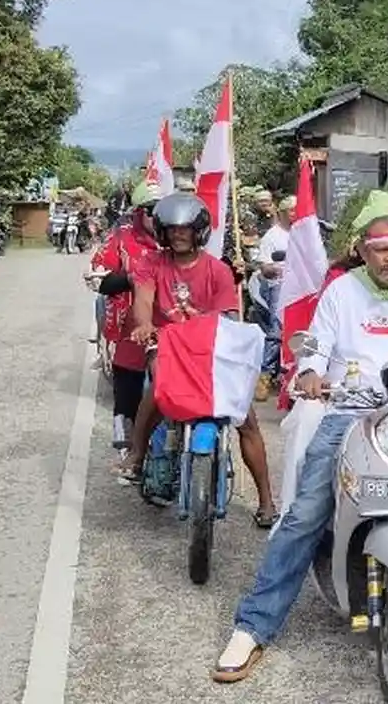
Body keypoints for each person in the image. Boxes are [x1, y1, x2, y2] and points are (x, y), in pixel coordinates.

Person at [212, 192, 388, 683]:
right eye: (381, 248)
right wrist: (312, 372)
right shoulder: (341, 292)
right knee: (304, 515)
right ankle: (253, 626)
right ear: (363, 249)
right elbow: (316, 345)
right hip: (348, 411)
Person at [118, 192, 279, 526]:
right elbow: (143, 300)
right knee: (159, 383)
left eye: (186, 229)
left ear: (199, 231)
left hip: (211, 349)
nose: (179, 235)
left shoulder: (217, 270)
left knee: (245, 419)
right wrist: (145, 324)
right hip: (167, 345)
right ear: (162, 230)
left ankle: (266, 500)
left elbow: (229, 316)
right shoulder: (151, 264)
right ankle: (136, 453)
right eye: (172, 229)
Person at [91, 180, 164, 451]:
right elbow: (99, 280)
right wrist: (133, 277)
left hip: (171, 328)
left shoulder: (177, 238)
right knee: (129, 395)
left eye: (161, 210)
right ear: (137, 212)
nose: (156, 216)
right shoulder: (121, 239)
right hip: (130, 330)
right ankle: (128, 446)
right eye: (149, 210)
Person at [253, 196, 294, 401]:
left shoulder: (302, 234)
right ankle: (265, 375)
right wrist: (279, 268)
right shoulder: (272, 237)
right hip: (277, 287)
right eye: (292, 210)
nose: (296, 214)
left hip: (300, 289)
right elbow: (264, 267)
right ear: (283, 213)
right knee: (277, 330)